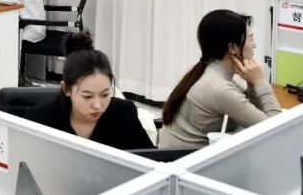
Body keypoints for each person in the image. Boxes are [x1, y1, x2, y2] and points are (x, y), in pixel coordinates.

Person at [159, 10, 281, 147]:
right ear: (233, 48)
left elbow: (254, 112)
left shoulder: (203, 70)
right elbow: (277, 130)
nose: (255, 45)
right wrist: (260, 82)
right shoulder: (220, 89)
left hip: (178, 155)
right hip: (187, 159)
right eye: (251, 39)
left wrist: (251, 82)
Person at [24, 34, 153, 150]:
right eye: (87, 96)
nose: (97, 105)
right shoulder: (39, 121)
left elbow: (151, 160)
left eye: (105, 94)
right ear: (66, 89)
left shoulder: (124, 113)